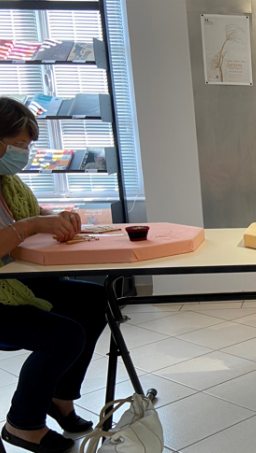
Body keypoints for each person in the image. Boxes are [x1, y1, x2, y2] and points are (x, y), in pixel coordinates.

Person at [0, 97, 108, 453]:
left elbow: (27, 213)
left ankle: (60, 398)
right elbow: (17, 227)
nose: (23, 153)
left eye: (27, 146)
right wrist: (34, 224)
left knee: (93, 301)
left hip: (17, 280)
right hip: (3, 292)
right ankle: (23, 424)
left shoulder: (6, 181)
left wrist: (56, 215)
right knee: (64, 335)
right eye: (17, 145)